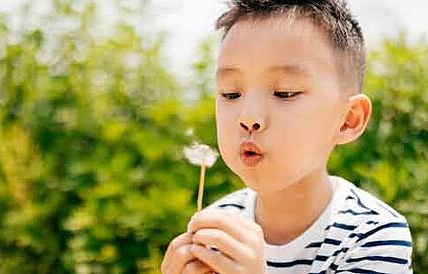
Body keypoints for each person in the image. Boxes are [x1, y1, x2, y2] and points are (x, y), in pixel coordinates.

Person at [161, 0, 413, 273]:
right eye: (231, 93)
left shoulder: (373, 233)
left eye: (285, 93)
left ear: (348, 119)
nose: (249, 117)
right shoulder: (217, 228)